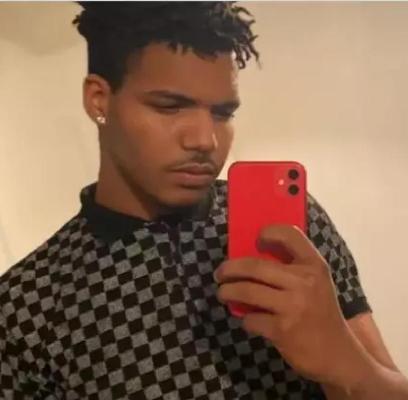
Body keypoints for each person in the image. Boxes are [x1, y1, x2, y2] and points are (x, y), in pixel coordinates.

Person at [0, 2, 407, 399]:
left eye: (222, 113)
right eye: (170, 107)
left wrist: (346, 363)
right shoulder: (25, 306)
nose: (205, 140)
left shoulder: (290, 232)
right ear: (99, 100)